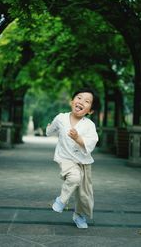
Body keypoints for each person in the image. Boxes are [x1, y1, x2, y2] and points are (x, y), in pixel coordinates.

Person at [46, 87, 99, 228]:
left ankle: (79, 215)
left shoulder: (89, 125)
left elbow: (92, 142)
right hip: (65, 158)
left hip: (84, 161)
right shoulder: (61, 118)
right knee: (74, 177)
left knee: (84, 194)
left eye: (87, 101)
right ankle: (61, 200)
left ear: (90, 111)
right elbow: (51, 129)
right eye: (79, 98)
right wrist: (48, 129)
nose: (81, 101)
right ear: (72, 101)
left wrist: (78, 138)